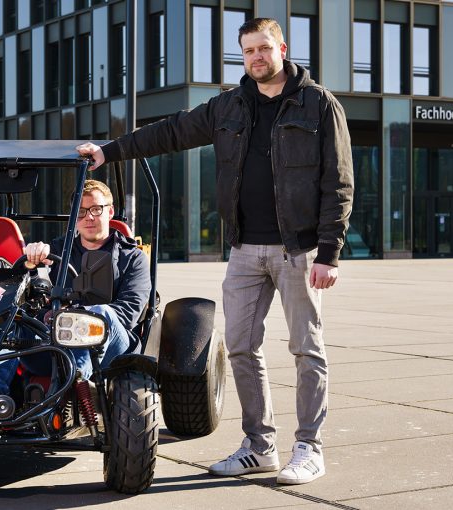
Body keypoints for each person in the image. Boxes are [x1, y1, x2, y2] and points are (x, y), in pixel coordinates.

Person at [76, 18, 354, 485]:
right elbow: (171, 132)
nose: (256, 58)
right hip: (245, 248)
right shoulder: (230, 106)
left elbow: (339, 183)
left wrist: (330, 252)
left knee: (307, 348)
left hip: (299, 249)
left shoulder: (319, 104)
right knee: (242, 347)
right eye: (248, 51)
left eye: (264, 48)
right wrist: (109, 151)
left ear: (281, 48)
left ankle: (308, 447)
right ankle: (260, 446)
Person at [0, 179, 151, 393]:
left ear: (110, 212)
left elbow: (128, 313)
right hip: (55, 345)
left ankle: (75, 386)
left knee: (100, 313)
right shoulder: (55, 250)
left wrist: (73, 317)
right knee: (15, 316)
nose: (88, 217)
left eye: (96, 209)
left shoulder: (133, 257)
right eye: (80, 212)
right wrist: (30, 264)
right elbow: (35, 296)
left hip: (111, 348)